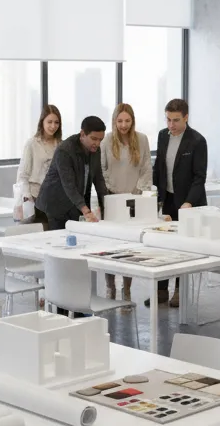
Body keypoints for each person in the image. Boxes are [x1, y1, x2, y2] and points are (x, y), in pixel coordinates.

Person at [150, 98, 207, 307]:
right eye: (168, 120)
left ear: (186, 117)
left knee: (182, 248)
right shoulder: (162, 136)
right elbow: (159, 169)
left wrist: (189, 202)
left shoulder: (197, 141)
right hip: (168, 198)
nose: (171, 125)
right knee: (163, 244)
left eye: (175, 120)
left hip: (188, 204)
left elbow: (199, 177)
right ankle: (161, 290)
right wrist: (156, 195)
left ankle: (179, 292)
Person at [100, 103, 153, 299]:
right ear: (114, 121)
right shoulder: (106, 141)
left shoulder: (141, 139)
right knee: (110, 245)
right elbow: (101, 169)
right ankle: (110, 286)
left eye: (127, 121)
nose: (124, 125)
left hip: (134, 199)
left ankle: (127, 288)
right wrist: (112, 190)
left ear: (133, 121)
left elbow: (147, 167)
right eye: (120, 121)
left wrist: (137, 191)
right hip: (112, 199)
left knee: (129, 246)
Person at [35, 115, 108, 231]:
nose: (98, 143)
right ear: (83, 134)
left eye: (100, 140)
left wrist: (107, 209)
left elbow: (99, 180)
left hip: (74, 206)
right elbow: (69, 185)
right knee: (58, 243)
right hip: (52, 207)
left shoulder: (95, 150)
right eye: (94, 139)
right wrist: (85, 210)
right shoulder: (65, 150)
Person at [16, 105, 62, 225]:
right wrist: (27, 197)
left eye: (56, 122)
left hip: (54, 199)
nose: (53, 126)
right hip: (35, 198)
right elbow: (22, 174)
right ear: (42, 122)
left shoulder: (61, 145)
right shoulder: (32, 144)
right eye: (49, 122)